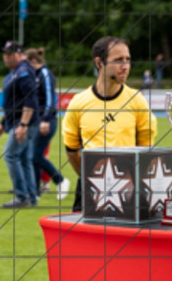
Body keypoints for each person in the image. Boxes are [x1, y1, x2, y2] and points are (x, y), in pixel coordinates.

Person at [61, 36, 158, 213]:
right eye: (118, 60)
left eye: (128, 60)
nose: (125, 66)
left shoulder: (137, 101)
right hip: (88, 189)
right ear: (99, 63)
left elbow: (146, 151)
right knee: (83, 240)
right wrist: (90, 177)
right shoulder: (78, 103)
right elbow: (71, 149)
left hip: (128, 191)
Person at [0, 40, 40, 208]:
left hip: (24, 122)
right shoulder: (16, 72)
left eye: (10, 54)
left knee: (10, 155)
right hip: (18, 121)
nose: (6, 57)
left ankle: (22, 197)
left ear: (19, 55)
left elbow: (30, 99)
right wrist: (3, 122)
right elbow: (14, 102)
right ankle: (31, 197)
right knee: (23, 158)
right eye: (5, 54)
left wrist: (23, 125)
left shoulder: (23, 72)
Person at [25, 47, 70, 201]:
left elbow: (51, 99)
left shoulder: (45, 73)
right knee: (33, 156)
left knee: (36, 156)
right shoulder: (36, 75)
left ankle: (60, 180)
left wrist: (45, 119)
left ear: (33, 61)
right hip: (39, 121)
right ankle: (35, 191)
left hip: (48, 121)